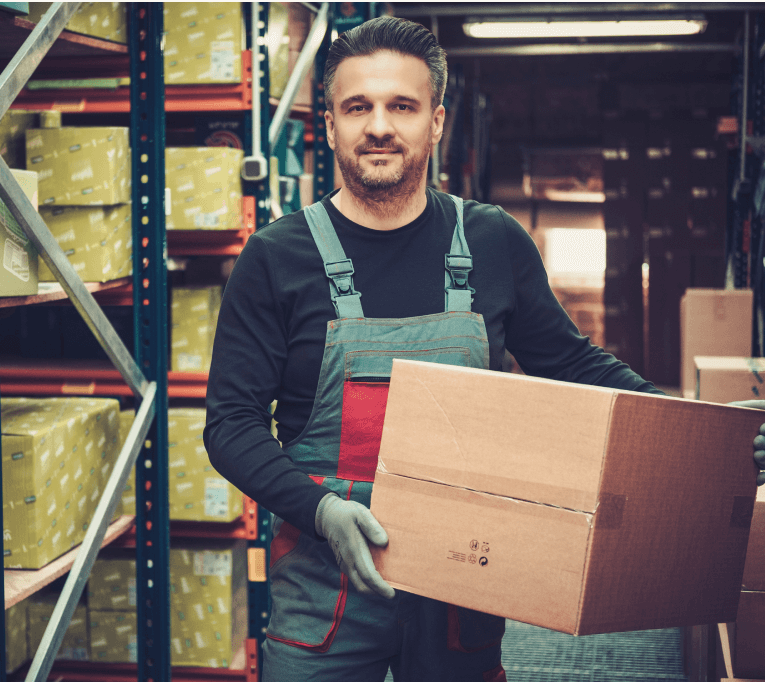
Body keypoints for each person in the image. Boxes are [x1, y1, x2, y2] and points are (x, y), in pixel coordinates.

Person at [204, 15, 765, 682]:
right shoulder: (275, 259)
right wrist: (321, 511)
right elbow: (231, 426)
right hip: (326, 584)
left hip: (463, 580)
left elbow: (570, 363)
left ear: (436, 122)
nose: (378, 125)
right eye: (357, 107)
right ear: (329, 125)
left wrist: (702, 434)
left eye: (402, 106)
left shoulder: (493, 242)